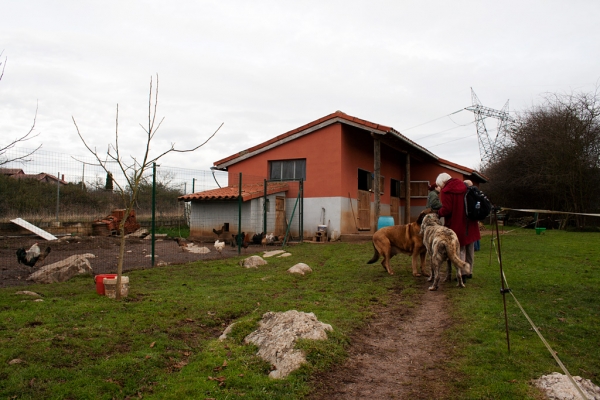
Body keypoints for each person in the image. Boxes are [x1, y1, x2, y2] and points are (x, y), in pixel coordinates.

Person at [435, 173, 480, 280]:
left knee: (460, 248)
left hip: (457, 222)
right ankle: (469, 271)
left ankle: (462, 273)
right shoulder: (464, 186)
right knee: (470, 247)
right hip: (471, 222)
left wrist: (438, 213)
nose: (441, 188)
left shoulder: (447, 191)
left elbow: (447, 209)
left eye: (440, 185)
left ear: (442, 182)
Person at [463, 180, 480, 251]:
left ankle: (475, 247)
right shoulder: (476, 192)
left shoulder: (469, 194)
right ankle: (477, 247)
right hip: (476, 214)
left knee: (471, 232)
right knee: (476, 231)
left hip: (471, 215)